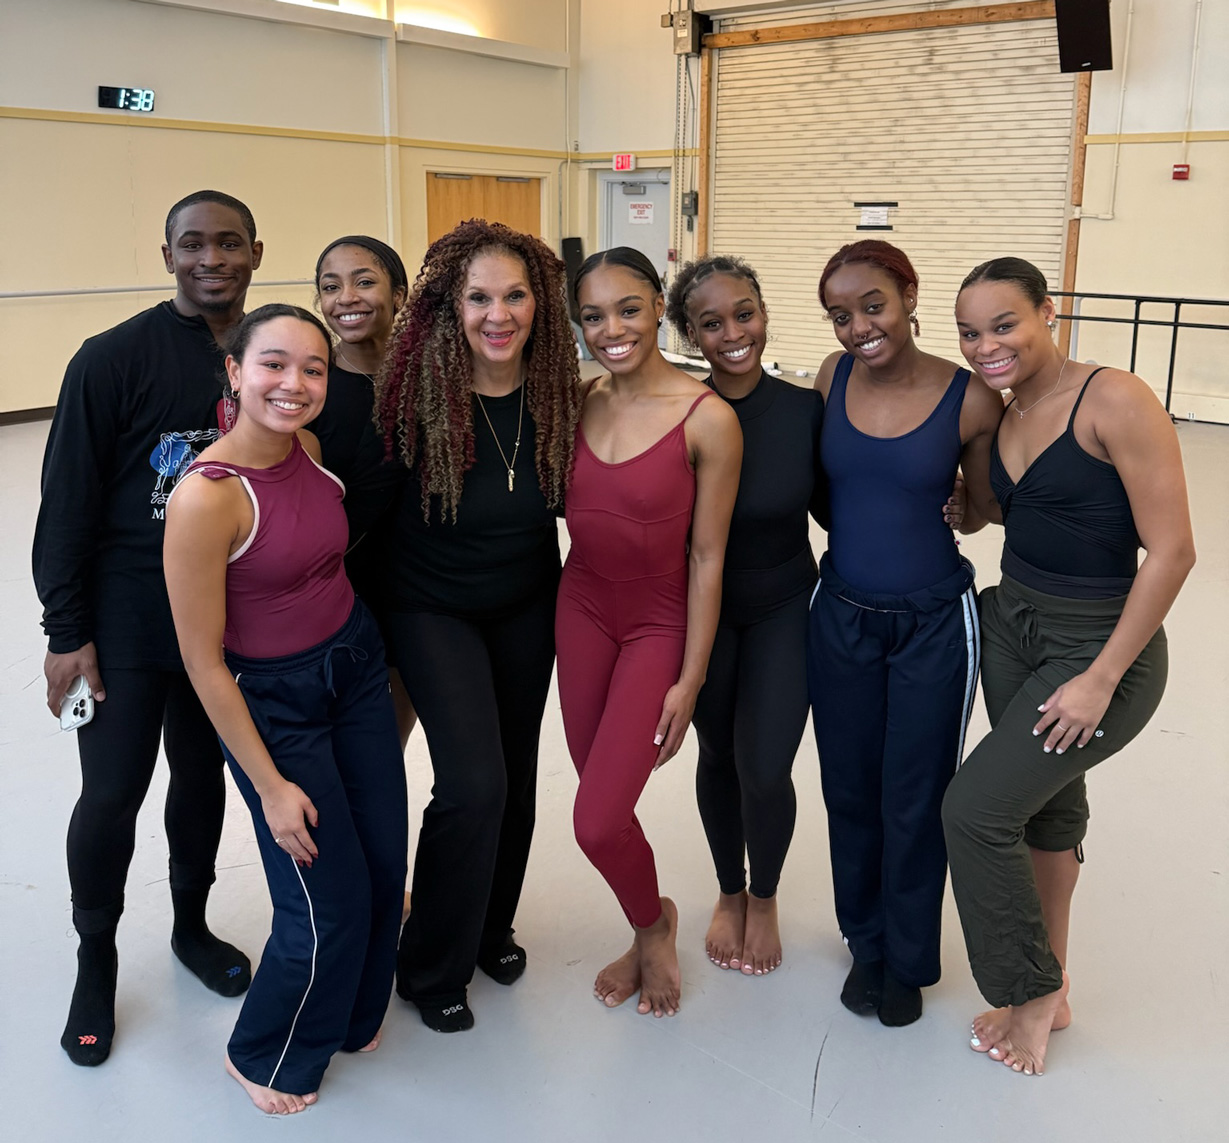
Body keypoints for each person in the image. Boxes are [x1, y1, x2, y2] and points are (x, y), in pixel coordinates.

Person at [943, 258, 1194, 1076]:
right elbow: (1001, 517)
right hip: (1013, 621)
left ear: (1047, 311)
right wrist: (965, 503)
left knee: (975, 810)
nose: (987, 346)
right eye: (970, 333)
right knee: (1046, 811)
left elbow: (1173, 550)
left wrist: (1098, 677)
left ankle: (1029, 990)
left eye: (1004, 324)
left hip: (1094, 642)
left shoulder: (1113, 397)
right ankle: (1057, 986)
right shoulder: (1010, 411)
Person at [32, 190, 262, 1067]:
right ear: (167, 255)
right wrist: (66, 630)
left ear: (254, 252)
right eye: (194, 244)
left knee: (201, 783)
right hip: (126, 620)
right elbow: (66, 505)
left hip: (224, 619)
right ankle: (96, 961)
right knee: (113, 794)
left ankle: (192, 928)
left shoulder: (264, 356)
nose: (213, 258)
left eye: (229, 243)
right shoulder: (112, 358)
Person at [164, 304, 408, 1114]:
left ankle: (348, 1016)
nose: (294, 383)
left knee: (380, 864)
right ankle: (264, 1051)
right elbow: (204, 663)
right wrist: (268, 784)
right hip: (277, 705)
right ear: (233, 371)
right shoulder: (208, 498)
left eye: (312, 368)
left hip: (356, 669)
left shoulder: (306, 448)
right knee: (324, 899)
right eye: (272, 363)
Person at [374, 219, 582, 1032]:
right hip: (431, 607)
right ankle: (428, 963)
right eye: (479, 297)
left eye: (516, 294)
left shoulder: (561, 391)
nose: (499, 314)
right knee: (472, 783)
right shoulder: (416, 396)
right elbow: (363, 518)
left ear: (540, 300)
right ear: (447, 306)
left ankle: (490, 926)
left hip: (526, 601)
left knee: (518, 779)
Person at [809, 239, 1004, 1026]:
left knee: (914, 796)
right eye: (839, 315)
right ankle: (865, 940)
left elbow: (985, 507)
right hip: (843, 612)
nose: (857, 327)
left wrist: (960, 503)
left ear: (908, 294)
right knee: (848, 788)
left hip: (932, 621)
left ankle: (909, 957)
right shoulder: (830, 377)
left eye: (872, 306)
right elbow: (827, 493)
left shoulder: (970, 399)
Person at [559, 247, 742, 1017]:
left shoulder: (709, 418)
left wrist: (689, 677)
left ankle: (653, 926)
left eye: (628, 308)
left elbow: (706, 555)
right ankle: (647, 921)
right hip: (581, 611)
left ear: (657, 307)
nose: (612, 329)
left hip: (656, 625)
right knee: (599, 798)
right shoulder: (576, 399)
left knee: (595, 820)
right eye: (593, 315)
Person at [664, 255, 824, 976]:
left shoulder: (801, 410)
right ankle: (728, 887)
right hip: (705, 613)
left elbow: (836, 505)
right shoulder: (682, 412)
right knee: (718, 754)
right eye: (710, 322)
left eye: (744, 312)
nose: (733, 332)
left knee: (765, 765)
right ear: (689, 336)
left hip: (784, 604)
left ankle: (764, 894)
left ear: (763, 312)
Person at [310, 235, 416, 745]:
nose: (346, 297)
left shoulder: (429, 381)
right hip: (335, 593)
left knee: (382, 753)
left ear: (400, 295)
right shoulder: (312, 389)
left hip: (418, 592)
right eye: (331, 287)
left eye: (364, 281)